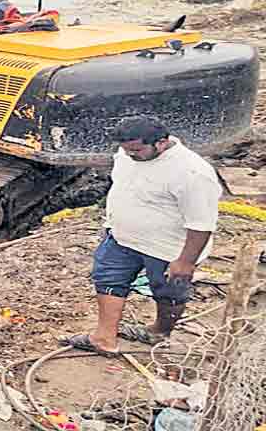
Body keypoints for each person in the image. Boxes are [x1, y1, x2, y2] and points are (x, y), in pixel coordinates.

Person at [62, 116, 220, 356]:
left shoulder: (192, 173)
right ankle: (104, 338)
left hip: (167, 248)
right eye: (125, 149)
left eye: (136, 150)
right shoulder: (128, 153)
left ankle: (159, 332)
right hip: (123, 238)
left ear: (161, 143)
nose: (129, 154)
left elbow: (201, 223)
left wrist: (185, 262)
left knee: (167, 292)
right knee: (108, 279)